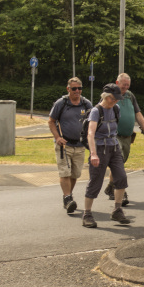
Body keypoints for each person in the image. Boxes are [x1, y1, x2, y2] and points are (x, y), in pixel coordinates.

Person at [82, 84, 131, 229]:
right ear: (106, 97)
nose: (115, 101)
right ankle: (87, 214)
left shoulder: (116, 109)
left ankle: (117, 210)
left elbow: (115, 127)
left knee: (121, 177)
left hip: (114, 147)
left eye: (117, 99)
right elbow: (90, 133)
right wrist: (93, 154)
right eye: (113, 99)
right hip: (99, 148)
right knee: (95, 181)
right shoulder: (96, 111)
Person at [103, 73, 144, 206]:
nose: (125, 88)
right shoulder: (110, 96)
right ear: (117, 83)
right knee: (119, 165)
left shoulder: (130, 95)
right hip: (114, 136)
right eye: (124, 86)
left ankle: (111, 187)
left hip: (127, 137)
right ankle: (121, 192)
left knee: (119, 164)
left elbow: (138, 113)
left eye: (128, 86)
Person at [48, 77, 93, 215]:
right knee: (65, 172)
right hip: (64, 144)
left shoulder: (86, 104)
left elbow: (94, 121)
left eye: (79, 88)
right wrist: (57, 137)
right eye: (74, 88)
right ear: (68, 89)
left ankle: (67, 197)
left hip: (80, 145)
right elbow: (51, 121)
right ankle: (68, 198)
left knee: (75, 174)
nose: (77, 91)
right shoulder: (61, 103)